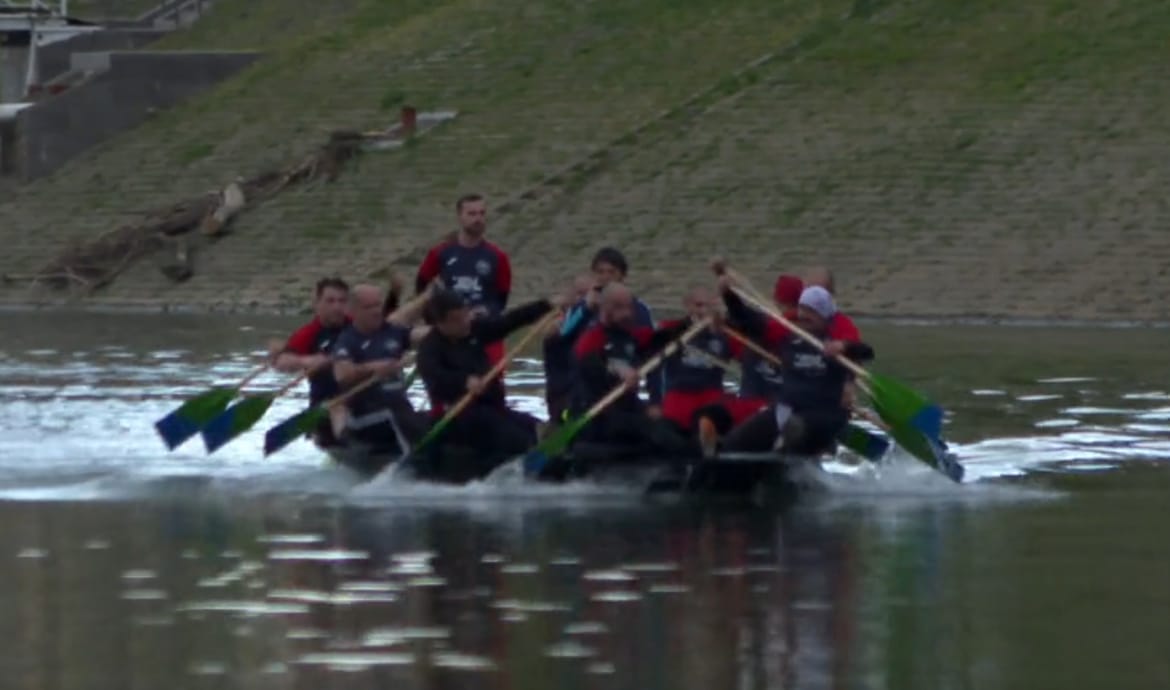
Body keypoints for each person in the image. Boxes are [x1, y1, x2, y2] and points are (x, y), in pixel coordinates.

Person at [719, 285, 874, 456]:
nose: (804, 315)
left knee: (795, 427)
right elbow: (750, 322)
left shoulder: (837, 335)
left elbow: (866, 352)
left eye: (812, 311)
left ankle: (790, 456)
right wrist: (728, 295)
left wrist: (844, 346)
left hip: (826, 414)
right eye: (803, 309)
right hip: (787, 409)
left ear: (825, 316)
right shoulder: (788, 332)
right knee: (732, 443)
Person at [416, 288, 562, 459]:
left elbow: (508, 321)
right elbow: (435, 378)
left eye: (465, 315)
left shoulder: (474, 330)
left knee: (529, 425)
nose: (465, 322)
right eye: (456, 320)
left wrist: (546, 305)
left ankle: (536, 460)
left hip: (490, 406)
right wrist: (463, 381)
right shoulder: (429, 349)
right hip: (458, 414)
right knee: (515, 439)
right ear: (440, 323)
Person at [570, 283, 695, 457]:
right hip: (599, 415)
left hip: (627, 410)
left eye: (630, 307)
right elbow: (590, 363)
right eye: (620, 308)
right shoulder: (591, 339)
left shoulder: (630, 336)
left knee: (671, 425)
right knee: (655, 431)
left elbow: (659, 336)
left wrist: (690, 321)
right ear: (605, 309)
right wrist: (619, 369)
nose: (628, 314)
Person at [415, 194, 512, 365]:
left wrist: (485, 311)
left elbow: (501, 300)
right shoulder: (441, 253)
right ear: (460, 216)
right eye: (472, 214)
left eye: (482, 213)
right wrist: (435, 319)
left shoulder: (497, 257)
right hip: (451, 334)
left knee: (491, 385)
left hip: (485, 332)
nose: (478, 219)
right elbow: (421, 286)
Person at [332, 285, 431, 450]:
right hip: (365, 417)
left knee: (434, 416)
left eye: (378, 305)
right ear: (353, 311)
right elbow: (342, 374)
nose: (376, 311)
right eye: (368, 307)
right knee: (398, 417)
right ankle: (418, 464)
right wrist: (373, 368)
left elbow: (425, 334)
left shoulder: (393, 331)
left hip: (401, 411)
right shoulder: (347, 340)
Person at [270, 277, 351, 445]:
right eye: (330, 301)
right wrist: (307, 361)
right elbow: (281, 362)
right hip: (326, 405)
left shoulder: (357, 324)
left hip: (363, 395)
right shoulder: (309, 334)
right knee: (338, 407)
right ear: (317, 304)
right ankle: (346, 442)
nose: (337, 307)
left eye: (342, 301)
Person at [657, 286, 730, 433]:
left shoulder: (724, 333)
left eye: (709, 306)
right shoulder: (671, 329)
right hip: (680, 395)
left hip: (710, 395)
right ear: (687, 306)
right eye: (698, 305)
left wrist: (719, 333)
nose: (703, 311)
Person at [542, 274, 596, 425]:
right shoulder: (557, 326)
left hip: (588, 395)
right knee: (568, 414)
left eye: (586, 295)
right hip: (563, 398)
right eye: (579, 294)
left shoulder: (596, 323)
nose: (583, 299)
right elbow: (558, 332)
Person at [804, 266, 861, 341]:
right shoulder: (790, 321)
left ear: (831, 293)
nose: (813, 297)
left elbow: (855, 345)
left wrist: (843, 345)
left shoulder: (843, 326)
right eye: (809, 290)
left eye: (820, 292)